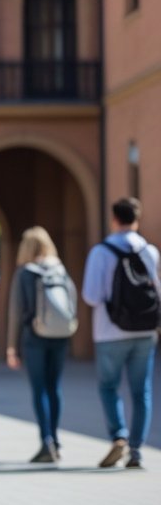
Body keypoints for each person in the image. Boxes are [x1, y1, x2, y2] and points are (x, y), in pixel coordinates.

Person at [81, 197, 160, 470]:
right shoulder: (149, 251)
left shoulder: (101, 252)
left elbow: (91, 296)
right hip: (145, 331)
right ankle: (136, 450)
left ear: (114, 218)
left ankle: (119, 436)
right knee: (142, 391)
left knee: (109, 386)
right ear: (137, 219)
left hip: (109, 331)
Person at [6, 226, 78, 463]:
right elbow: (72, 301)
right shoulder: (60, 269)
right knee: (54, 388)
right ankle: (56, 440)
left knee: (39, 390)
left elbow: (16, 312)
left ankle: (46, 440)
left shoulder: (25, 272)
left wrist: (11, 347)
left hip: (34, 337)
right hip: (60, 336)